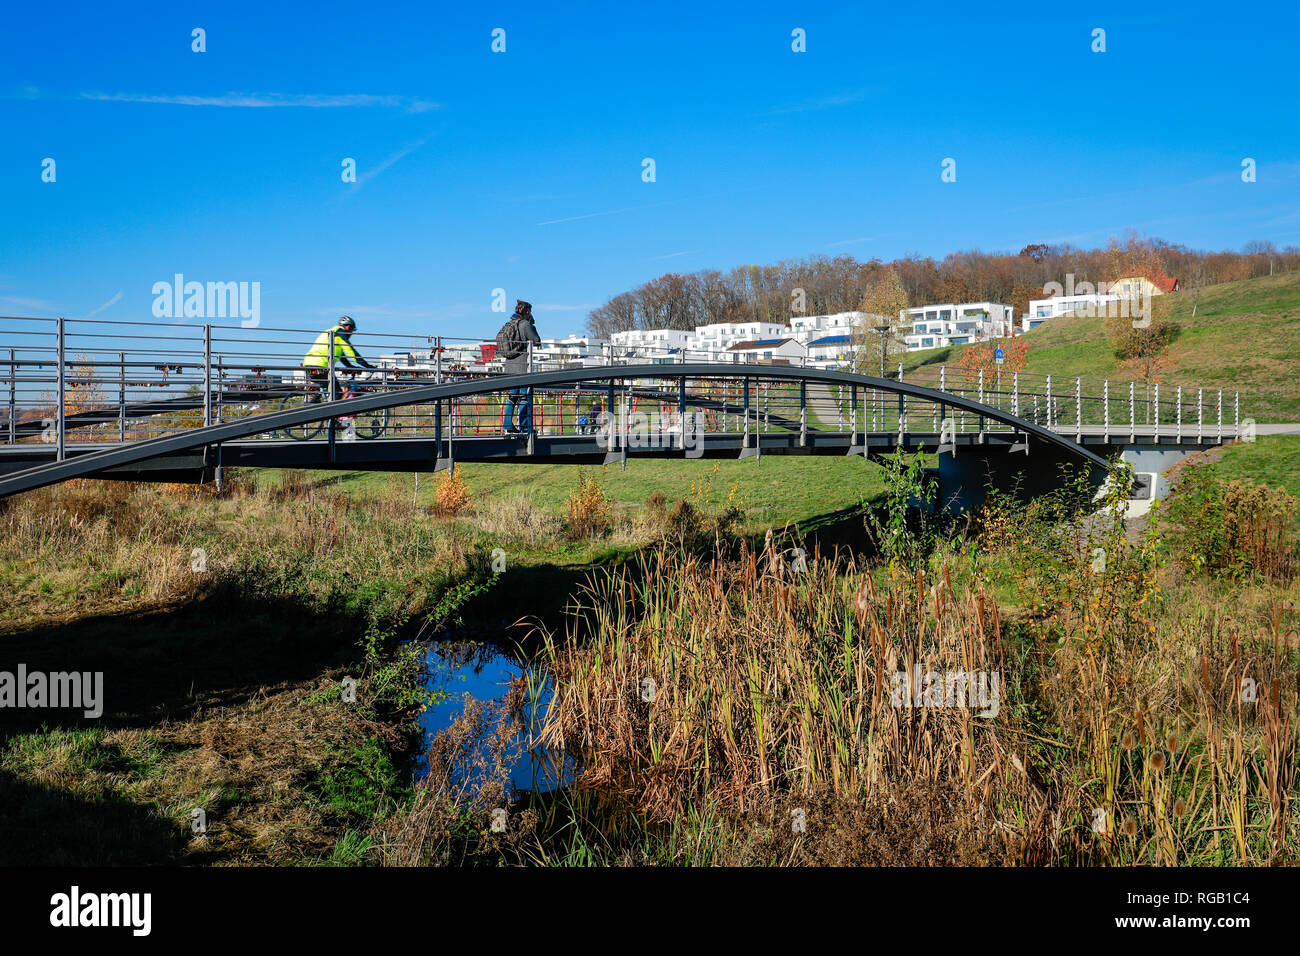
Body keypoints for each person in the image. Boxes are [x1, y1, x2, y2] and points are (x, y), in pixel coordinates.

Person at [495, 300, 541, 434]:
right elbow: (537, 341)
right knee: (524, 398)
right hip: (522, 367)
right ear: (527, 312)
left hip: (509, 367)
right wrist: (533, 324)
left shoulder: (509, 324)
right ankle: (525, 427)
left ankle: (508, 426)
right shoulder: (525, 324)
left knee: (512, 397)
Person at [302, 316, 377, 390]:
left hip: (310, 364)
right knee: (336, 392)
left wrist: (349, 366)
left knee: (330, 388)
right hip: (320, 366)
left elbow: (341, 355)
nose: (351, 333)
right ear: (348, 327)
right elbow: (351, 352)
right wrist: (367, 366)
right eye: (352, 330)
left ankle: (315, 400)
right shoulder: (340, 333)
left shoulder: (332, 332)